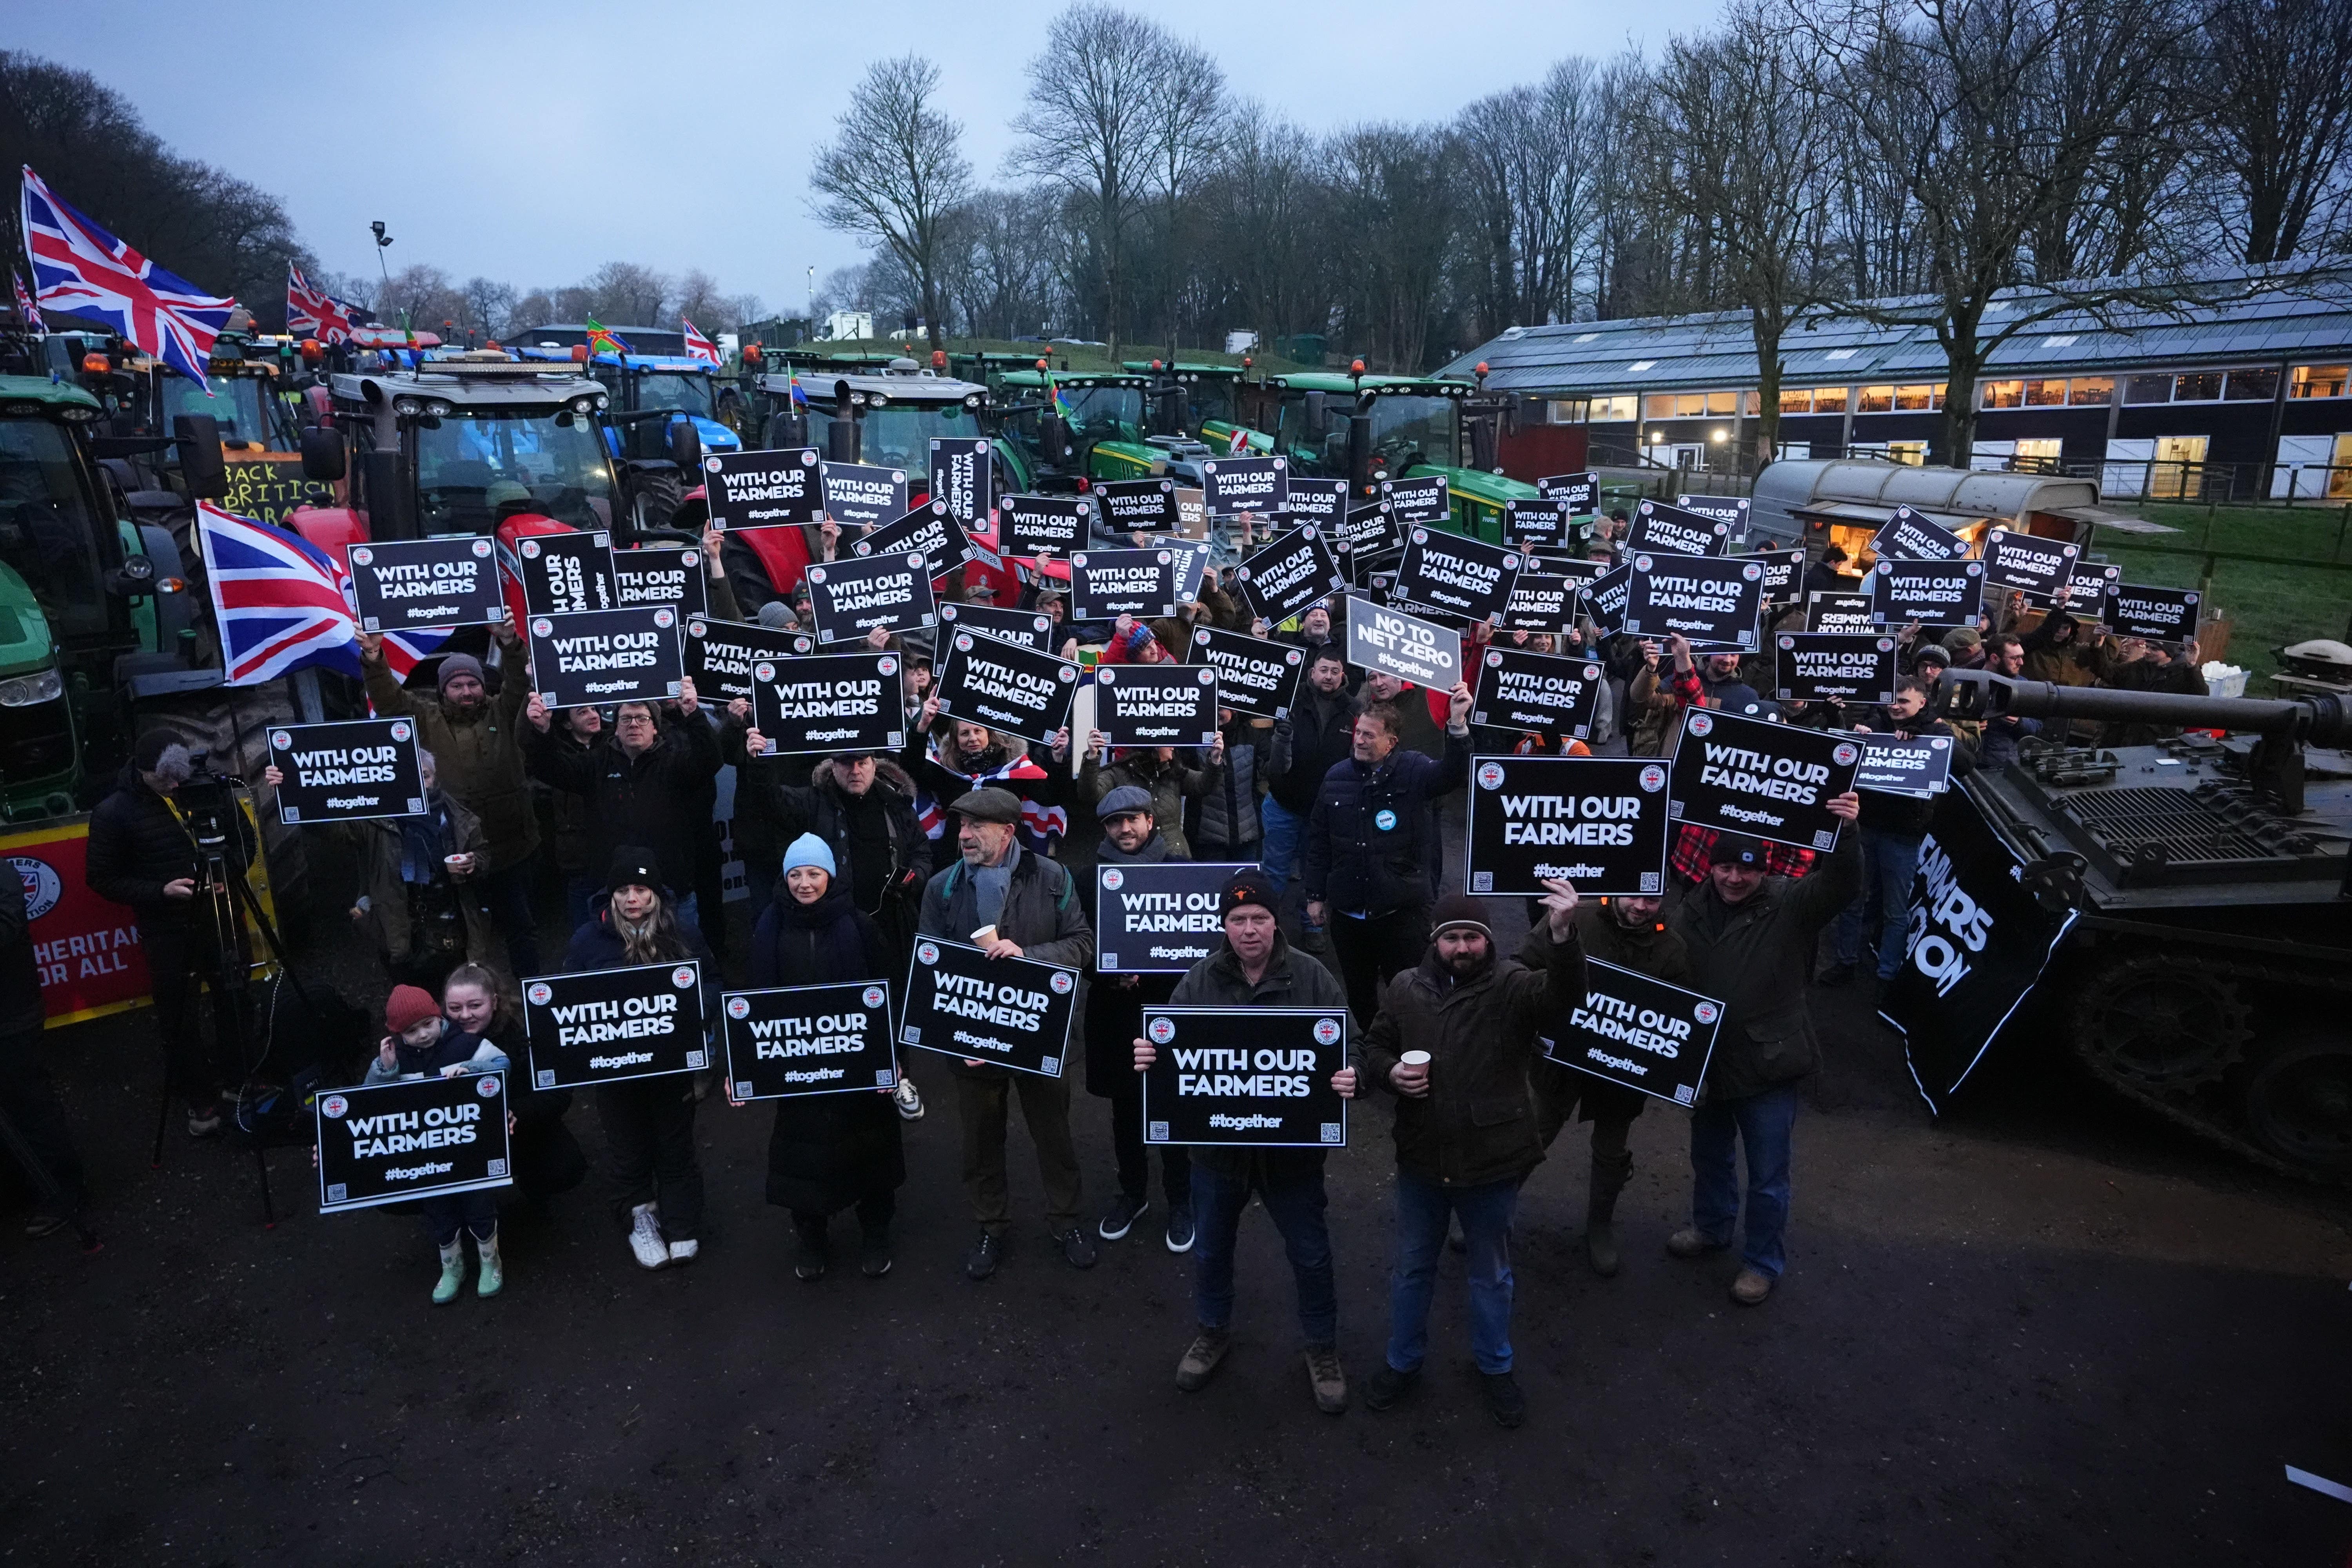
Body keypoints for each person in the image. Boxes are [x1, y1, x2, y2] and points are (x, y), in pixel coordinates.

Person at [1354, 884, 1584, 1429]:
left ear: (1488, 941)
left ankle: (1495, 1367)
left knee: (1492, 1274)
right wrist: (1388, 1074)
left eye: (1473, 938)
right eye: (1452, 937)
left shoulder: (1512, 986)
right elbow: (1373, 1047)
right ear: (1436, 942)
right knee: (1413, 1269)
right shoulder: (1406, 989)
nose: (1463, 947)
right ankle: (1402, 1362)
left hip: (1493, 1161)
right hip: (1422, 1158)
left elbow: (1563, 1004)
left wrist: (1562, 935)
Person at [1129, 870, 1358, 1412]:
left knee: (1311, 1255)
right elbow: (1171, 1055)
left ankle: (1322, 1349)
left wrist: (1351, 1072)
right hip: (1216, 1155)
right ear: (1224, 926)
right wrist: (1149, 1061)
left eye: (1259, 919)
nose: (1249, 930)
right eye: (1238, 921)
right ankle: (1212, 1331)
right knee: (1211, 1251)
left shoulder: (1312, 976)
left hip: (1292, 1156)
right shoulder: (1199, 979)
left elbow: (1354, 1044)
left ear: (1276, 923)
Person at [1665, 805, 1860, 1307]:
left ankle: (1761, 1263)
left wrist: (1847, 829)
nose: (1734, 878)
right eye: (1726, 867)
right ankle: (1711, 1228)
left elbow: (1841, 885)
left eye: (1746, 869)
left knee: (1768, 1175)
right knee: (1710, 1156)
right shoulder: (1690, 907)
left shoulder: (1793, 903)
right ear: (1710, 866)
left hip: (1769, 1063)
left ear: (1765, 868)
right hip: (1707, 1063)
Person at [916, 786, 1097, 1279]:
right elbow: (928, 967)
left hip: (1039, 1037)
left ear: (1009, 832)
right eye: (961, 826)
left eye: (976, 826)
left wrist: (1029, 956)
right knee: (980, 1140)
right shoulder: (941, 888)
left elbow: (1082, 946)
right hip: (971, 1047)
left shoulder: (1053, 877)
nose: (965, 835)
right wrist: (957, 1038)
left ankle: (1066, 1220)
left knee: (1054, 1135)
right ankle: (990, 1224)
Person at [750, 834, 906, 1282]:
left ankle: (876, 1233)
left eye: (813, 873)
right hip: (798, 1069)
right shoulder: (769, 925)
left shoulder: (860, 925)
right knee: (804, 1158)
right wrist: (746, 1067)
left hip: (859, 1067)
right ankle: (811, 1236)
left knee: (871, 1154)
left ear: (830, 876)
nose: (804, 883)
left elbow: (890, 992)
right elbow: (754, 1001)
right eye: (795, 874)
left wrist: (895, 1057)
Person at [561, 848, 718, 1271]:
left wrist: (700, 1030)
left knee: (676, 1145)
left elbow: (709, 986)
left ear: (656, 893)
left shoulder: (683, 932)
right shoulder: (587, 941)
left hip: (672, 1069)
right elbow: (566, 1002)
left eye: (642, 889)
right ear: (611, 895)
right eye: (625, 890)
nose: (633, 898)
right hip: (615, 1073)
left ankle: (682, 1223)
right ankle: (640, 1221)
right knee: (627, 1148)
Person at [361, 628, 544, 984]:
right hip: (457, 852)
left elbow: (518, 684)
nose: (466, 692)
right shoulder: (426, 717)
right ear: (443, 689)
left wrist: (510, 644)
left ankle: (529, 993)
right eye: (457, 685)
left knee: (522, 929)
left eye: (472, 684)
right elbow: (388, 700)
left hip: (513, 847)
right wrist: (374, 659)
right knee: (467, 934)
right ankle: (472, 999)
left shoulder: (502, 711)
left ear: (482, 686)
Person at [1521, 893, 1690, 1276]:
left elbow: (1681, 1021)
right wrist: (1531, 1019)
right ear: (1615, 890)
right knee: (1528, 1135)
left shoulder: (1672, 947)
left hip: (1621, 1074)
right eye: (1635, 896)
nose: (1642, 908)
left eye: (1653, 900)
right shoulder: (1575, 917)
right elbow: (1522, 965)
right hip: (1559, 1061)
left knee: (1612, 1153)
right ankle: (1490, 1212)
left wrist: (1678, 1072)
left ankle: (1600, 1225)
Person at [85, 731, 231, 1135]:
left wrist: (228, 872)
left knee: (233, 994)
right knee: (180, 1016)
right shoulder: (114, 813)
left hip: (217, 915)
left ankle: (240, 1079)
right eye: (164, 779)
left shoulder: (198, 788)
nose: (174, 786)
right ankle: (200, 1098)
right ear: (142, 771)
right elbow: (101, 878)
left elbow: (241, 839)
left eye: (178, 777)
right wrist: (161, 891)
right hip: (166, 929)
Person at [1302, 686, 1473, 1028]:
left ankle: (1410, 1058)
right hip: (1350, 915)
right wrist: (1315, 896)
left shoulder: (1414, 770)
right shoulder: (1336, 777)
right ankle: (1369, 1061)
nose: (1360, 741)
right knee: (1360, 996)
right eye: (1358, 733)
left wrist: (1457, 724)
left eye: (1369, 735)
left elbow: (1453, 774)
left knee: (1411, 994)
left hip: (1402, 914)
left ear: (1391, 742)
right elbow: (1319, 841)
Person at [267, 749, 493, 996]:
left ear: (435, 777)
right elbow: (331, 828)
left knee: (459, 1003)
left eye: (425, 776)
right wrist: (291, 790)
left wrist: (473, 864)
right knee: (416, 1010)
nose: (419, 783)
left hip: (454, 930)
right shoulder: (377, 818)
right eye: (409, 776)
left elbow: (482, 853)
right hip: (402, 931)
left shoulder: (456, 814)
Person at [1084, 786, 1192, 1251]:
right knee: (1125, 1109)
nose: (1124, 829)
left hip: (1171, 1010)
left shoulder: (1183, 872)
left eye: (1132, 819)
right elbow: (1076, 940)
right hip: (1115, 1012)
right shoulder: (1088, 878)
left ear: (1152, 821)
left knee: (1172, 1105)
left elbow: (1202, 946)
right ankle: (1133, 1193)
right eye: (1114, 822)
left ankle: (1181, 1199)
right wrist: (1105, 974)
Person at [524, 682, 726, 933]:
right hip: (616, 893)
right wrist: (542, 731)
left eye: (642, 718)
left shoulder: (675, 761)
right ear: (616, 728)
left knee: (680, 955)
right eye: (626, 719)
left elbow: (711, 760)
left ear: (655, 727)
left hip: (671, 887)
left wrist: (694, 714)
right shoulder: (597, 763)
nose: (634, 724)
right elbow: (551, 769)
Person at [363, 984, 510, 1303]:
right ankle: (452, 1266)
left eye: (428, 1024)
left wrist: (472, 1069)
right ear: (397, 1033)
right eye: (412, 1031)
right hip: (426, 1158)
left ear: (438, 1015)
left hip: (470, 1151)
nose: (423, 1035)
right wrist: (384, 1070)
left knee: (480, 1205)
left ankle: (490, 1260)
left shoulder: (464, 1043)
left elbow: (503, 1065)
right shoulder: (396, 1059)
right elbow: (366, 1101)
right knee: (438, 1212)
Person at [1823, 678, 1975, 987]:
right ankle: (1845, 961)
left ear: (1922, 703)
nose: (1896, 706)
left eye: (1904, 702)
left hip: (1903, 836)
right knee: (1852, 900)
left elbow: (1965, 764)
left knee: (1895, 910)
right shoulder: (1877, 721)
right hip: (1864, 828)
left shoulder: (1936, 729)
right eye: (1892, 700)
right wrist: (1854, 731)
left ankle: (1887, 975)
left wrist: (1923, 740)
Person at [441, 963, 584, 1202]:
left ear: (495, 1002)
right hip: (453, 1139)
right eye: (455, 1008)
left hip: (517, 1132)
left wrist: (516, 1112)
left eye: (475, 1005)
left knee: (564, 1167)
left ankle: (533, 1195)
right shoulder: (430, 1039)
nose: (465, 1016)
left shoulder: (524, 1035)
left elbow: (558, 1095)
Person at [1, 862, 87, 1235]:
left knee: (29, 1104)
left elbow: (5, 928)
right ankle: (19, 1185)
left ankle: (63, 1190)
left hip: (11, 1015)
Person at [1263, 646, 1357, 934]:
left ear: (1343, 676)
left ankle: (1313, 928)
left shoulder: (1354, 711)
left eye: (1335, 671)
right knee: (1274, 872)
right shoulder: (1289, 700)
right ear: (1312, 673)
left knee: (1315, 873)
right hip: (1283, 804)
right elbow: (1269, 756)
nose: (1329, 677)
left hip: (1326, 811)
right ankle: (1268, 927)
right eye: (1324, 670)